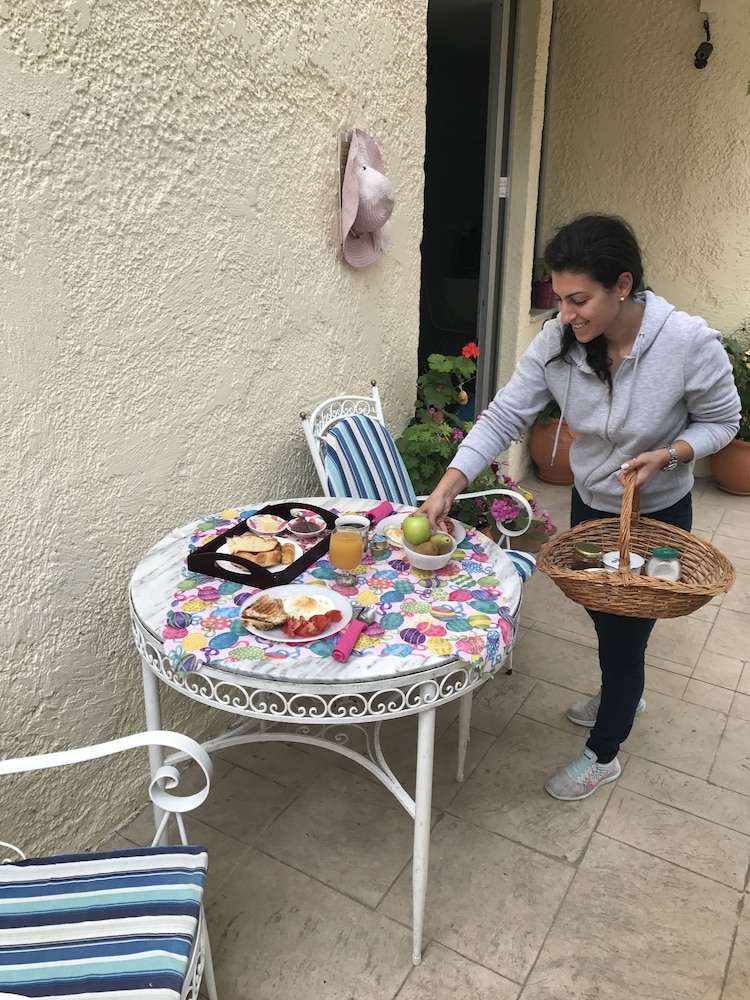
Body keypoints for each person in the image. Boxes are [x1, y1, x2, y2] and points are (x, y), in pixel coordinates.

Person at [418, 214, 741, 801]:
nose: (565, 314)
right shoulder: (559, 341)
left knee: (625, 636)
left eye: (579, 299)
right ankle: (623, 689)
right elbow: (505, 415)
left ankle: (604, 752)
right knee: (600, 607)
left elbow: (723, 421)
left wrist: (670, 453)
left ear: (622, 285)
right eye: (560, 298)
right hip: (591, 503)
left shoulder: (688, 343)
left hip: (656, 518)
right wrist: (450, 483)